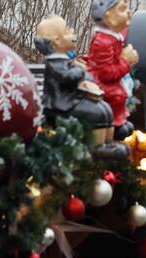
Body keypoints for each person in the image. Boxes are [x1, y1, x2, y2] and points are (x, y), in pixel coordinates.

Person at [34, 15, 125, 159]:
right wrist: (81, 70)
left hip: (71, 101)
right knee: (96, 112)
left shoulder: (66, 62)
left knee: (106, 108)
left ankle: (108, 142)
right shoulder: (54, 63)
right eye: (67, 31)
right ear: (57, 41)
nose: (72, 31)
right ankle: (96, 147)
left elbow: (82, 77)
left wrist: (85, 77)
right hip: (60, 107)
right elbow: (68, 77)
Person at [84, 0, 138, 136]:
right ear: (108, 17)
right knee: (115, 96)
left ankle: (117, 124)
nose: (128, 12)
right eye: (122, 9)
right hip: (101, 86)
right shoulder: (103, 41)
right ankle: (111, 130)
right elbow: (106, 74)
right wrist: (126, 61)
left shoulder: (113, 38)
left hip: (111, 88)